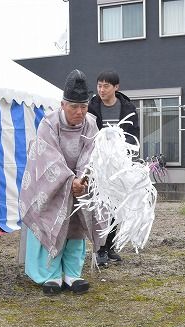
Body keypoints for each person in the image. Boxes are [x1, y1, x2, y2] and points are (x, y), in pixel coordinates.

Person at [19, 69, 103, 295]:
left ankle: (72, 273)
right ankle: (50, 274)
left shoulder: (91, 124)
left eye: (83, 107)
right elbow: (49, 158)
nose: (79, 112)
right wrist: (68, 180)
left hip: (79, 183)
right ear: (63, 104)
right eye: (74, 107)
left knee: (76, 226)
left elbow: (91, 152)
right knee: (51, 222)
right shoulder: (49, 123)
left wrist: (82, 178)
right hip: (51, 184)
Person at [88, 70, 140, 266]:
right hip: (97, 165)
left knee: (116, 206)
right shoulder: (91, 107)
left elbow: (133, 136)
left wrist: (129, 159)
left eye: (106, 86)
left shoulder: (128, 108)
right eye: (99, 85)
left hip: (119, 166)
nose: (101, 89)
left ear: (116, 87)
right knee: (100, 207)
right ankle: (100, 249)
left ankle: (110, 246)